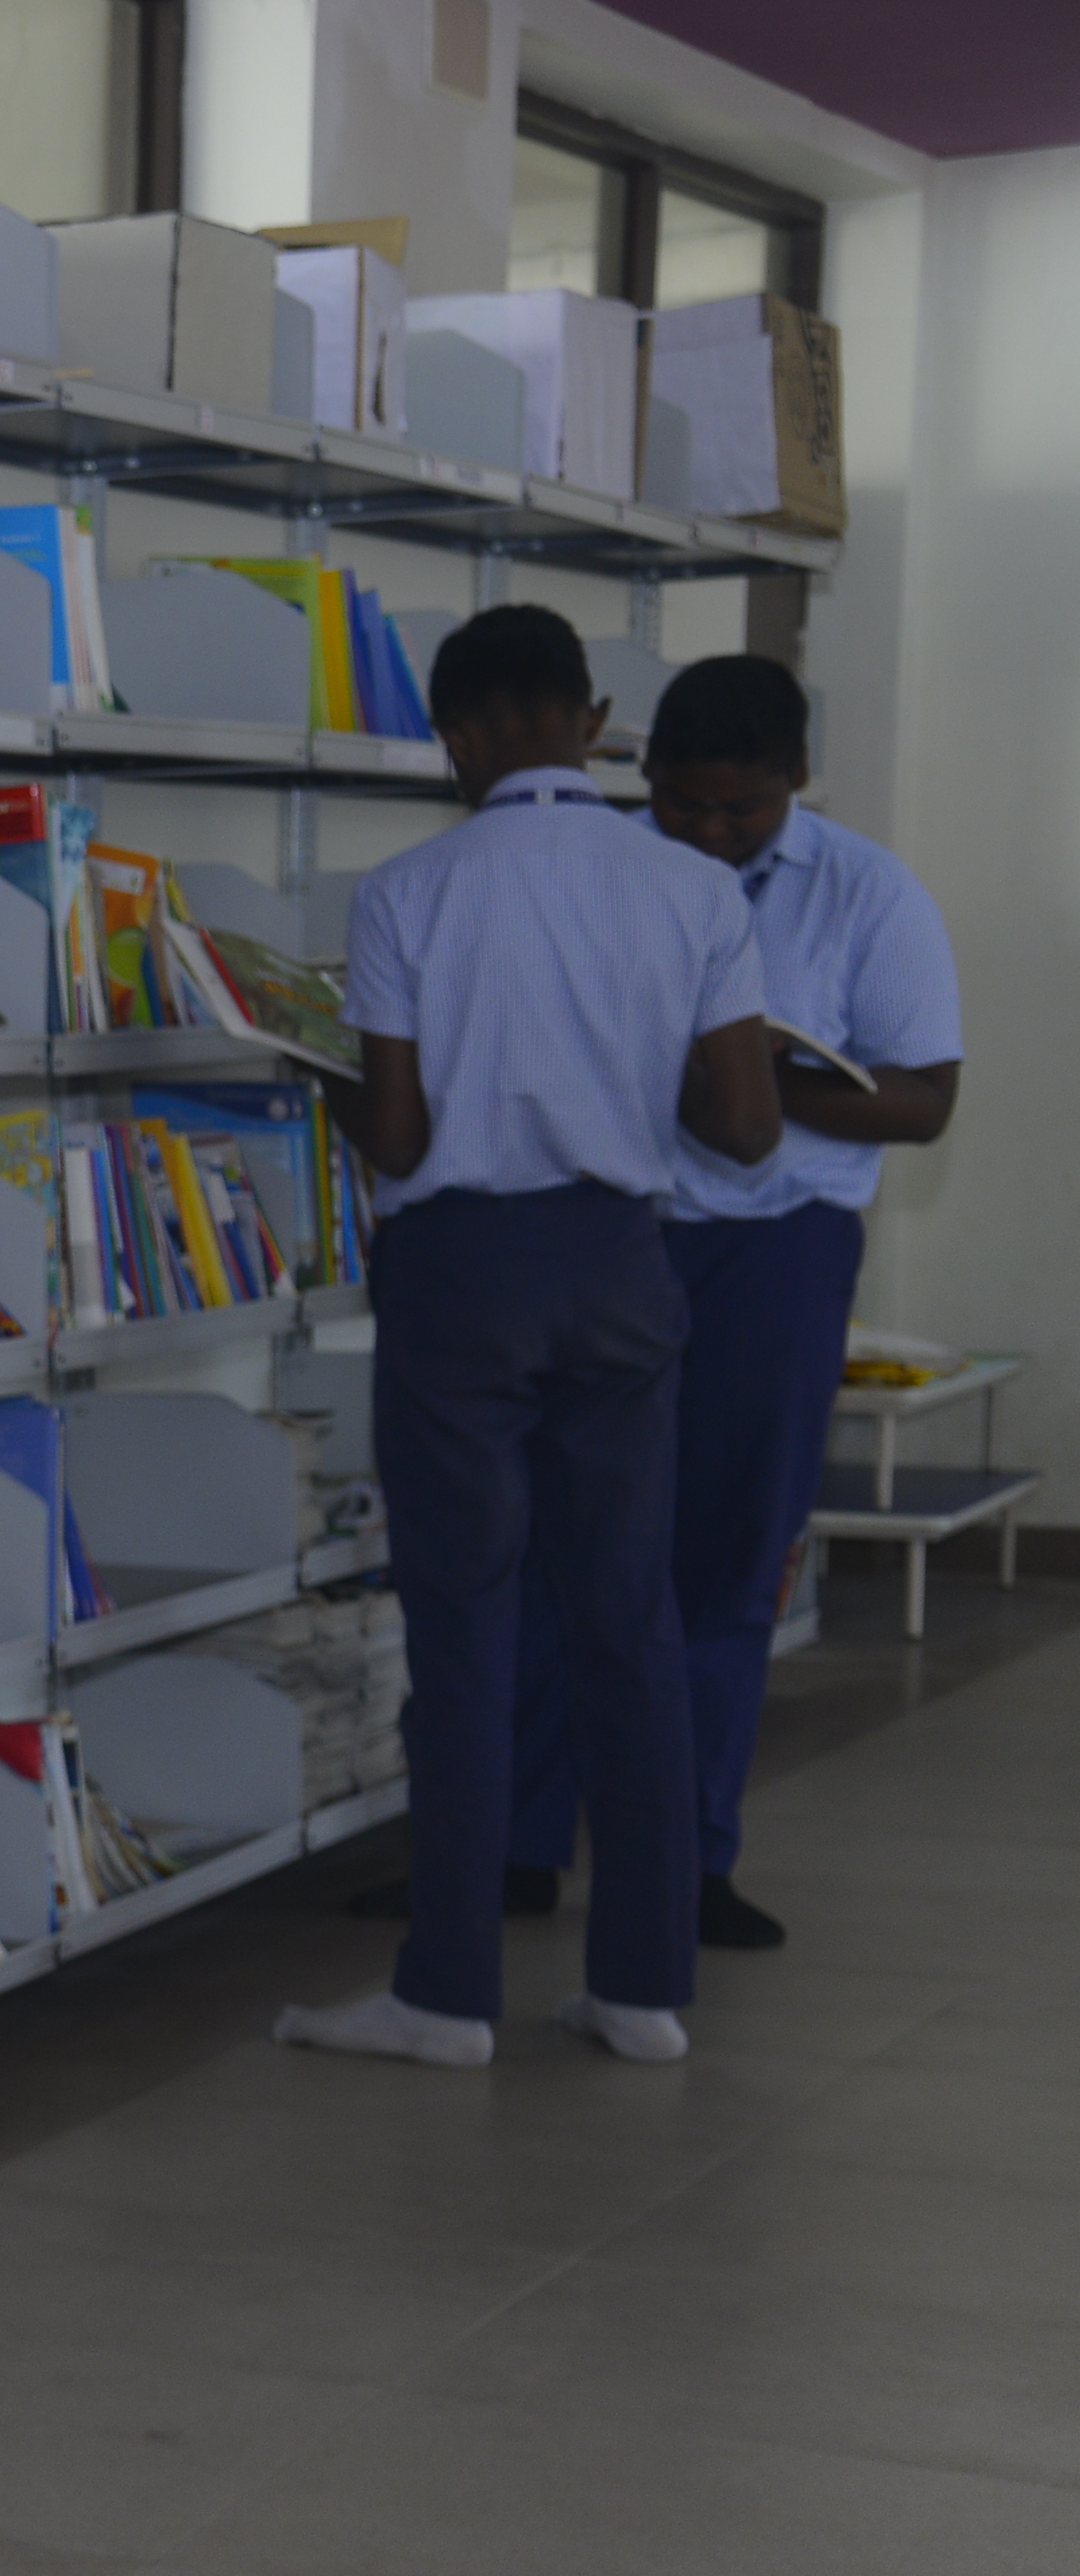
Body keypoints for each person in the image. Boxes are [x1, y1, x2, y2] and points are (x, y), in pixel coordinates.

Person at [275, 605, 779, 2072]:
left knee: (465, 1624)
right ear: (596, 714)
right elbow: (745, 1131)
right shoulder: (692, 890)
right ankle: (641, 1989)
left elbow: (403, 1127)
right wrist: (619, 1073)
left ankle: (445, 1993)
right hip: (624, 1270)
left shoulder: (409, 890)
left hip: (464, 1279)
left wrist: (322, 1093)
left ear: (457, 739)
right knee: (632, 1626)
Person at [502, 656, 958, 1949]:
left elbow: (924, 1099)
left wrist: (745, 1083)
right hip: (605, 1235)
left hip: (777, 1251)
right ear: (636, 775)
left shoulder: (869, 895)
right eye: (683, 805)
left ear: (796, 783)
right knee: (548, 1539)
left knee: (727, 1557)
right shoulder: (590, 870)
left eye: (740, 811)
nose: (708, 832)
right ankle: (520, 1847)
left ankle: (686, 1862)